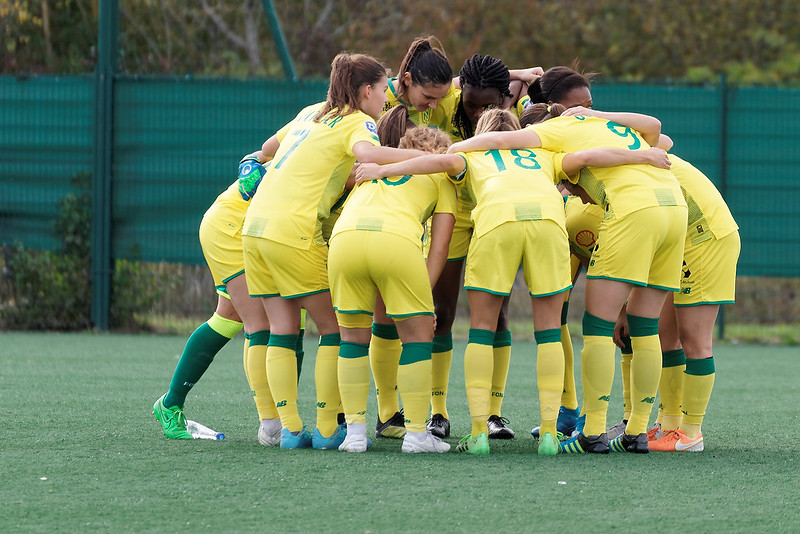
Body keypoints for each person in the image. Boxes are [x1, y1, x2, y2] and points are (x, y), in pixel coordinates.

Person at [357, 107, 673, 456]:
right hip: (548, 223)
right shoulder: (545, 153)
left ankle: (478, 434)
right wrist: (642, 155)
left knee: (481, 328)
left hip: (498, 222)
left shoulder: (470, 153)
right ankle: (551, 435)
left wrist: (382, 169)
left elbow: (437, 163)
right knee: (550, 330)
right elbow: (589, 156)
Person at [449, 103, 687, 454]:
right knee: (645, 326)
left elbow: (507, 139)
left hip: (632, 210)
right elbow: (656, 126)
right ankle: (636, 432)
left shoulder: (551, 135)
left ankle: (590, 434)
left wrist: (457, 146)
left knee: (597, 327)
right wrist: (622, 136)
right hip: (673, 207)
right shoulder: (606, 126)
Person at [241, 52, 427, 450]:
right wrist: (426, 157)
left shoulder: (312, 112)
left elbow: (267, 147)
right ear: (365, 91)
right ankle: (327, 429)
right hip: (293, 231)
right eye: (382, 90)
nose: (385, 99)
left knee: (280, 328)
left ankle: (286, 430)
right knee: (335, 330)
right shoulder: (358, 120)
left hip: (254, 227)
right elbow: (367, 154)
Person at [329, 121, 457, 453]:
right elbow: (440, 247)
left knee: (353, 338)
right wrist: (424, 301)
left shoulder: (374, 167)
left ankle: (355, 434)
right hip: (396, 243)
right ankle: (416, 435)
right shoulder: (441, 176)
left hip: (344, 241)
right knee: (417, 337)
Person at [153, 157, 299, 446]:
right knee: (264, 324)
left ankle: (170, 404)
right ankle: (273, 426)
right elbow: (258, 155)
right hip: (234, 228)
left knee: (229, 317)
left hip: (240, 223)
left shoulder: (327, 123)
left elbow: (257, 154)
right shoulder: (348, 132)